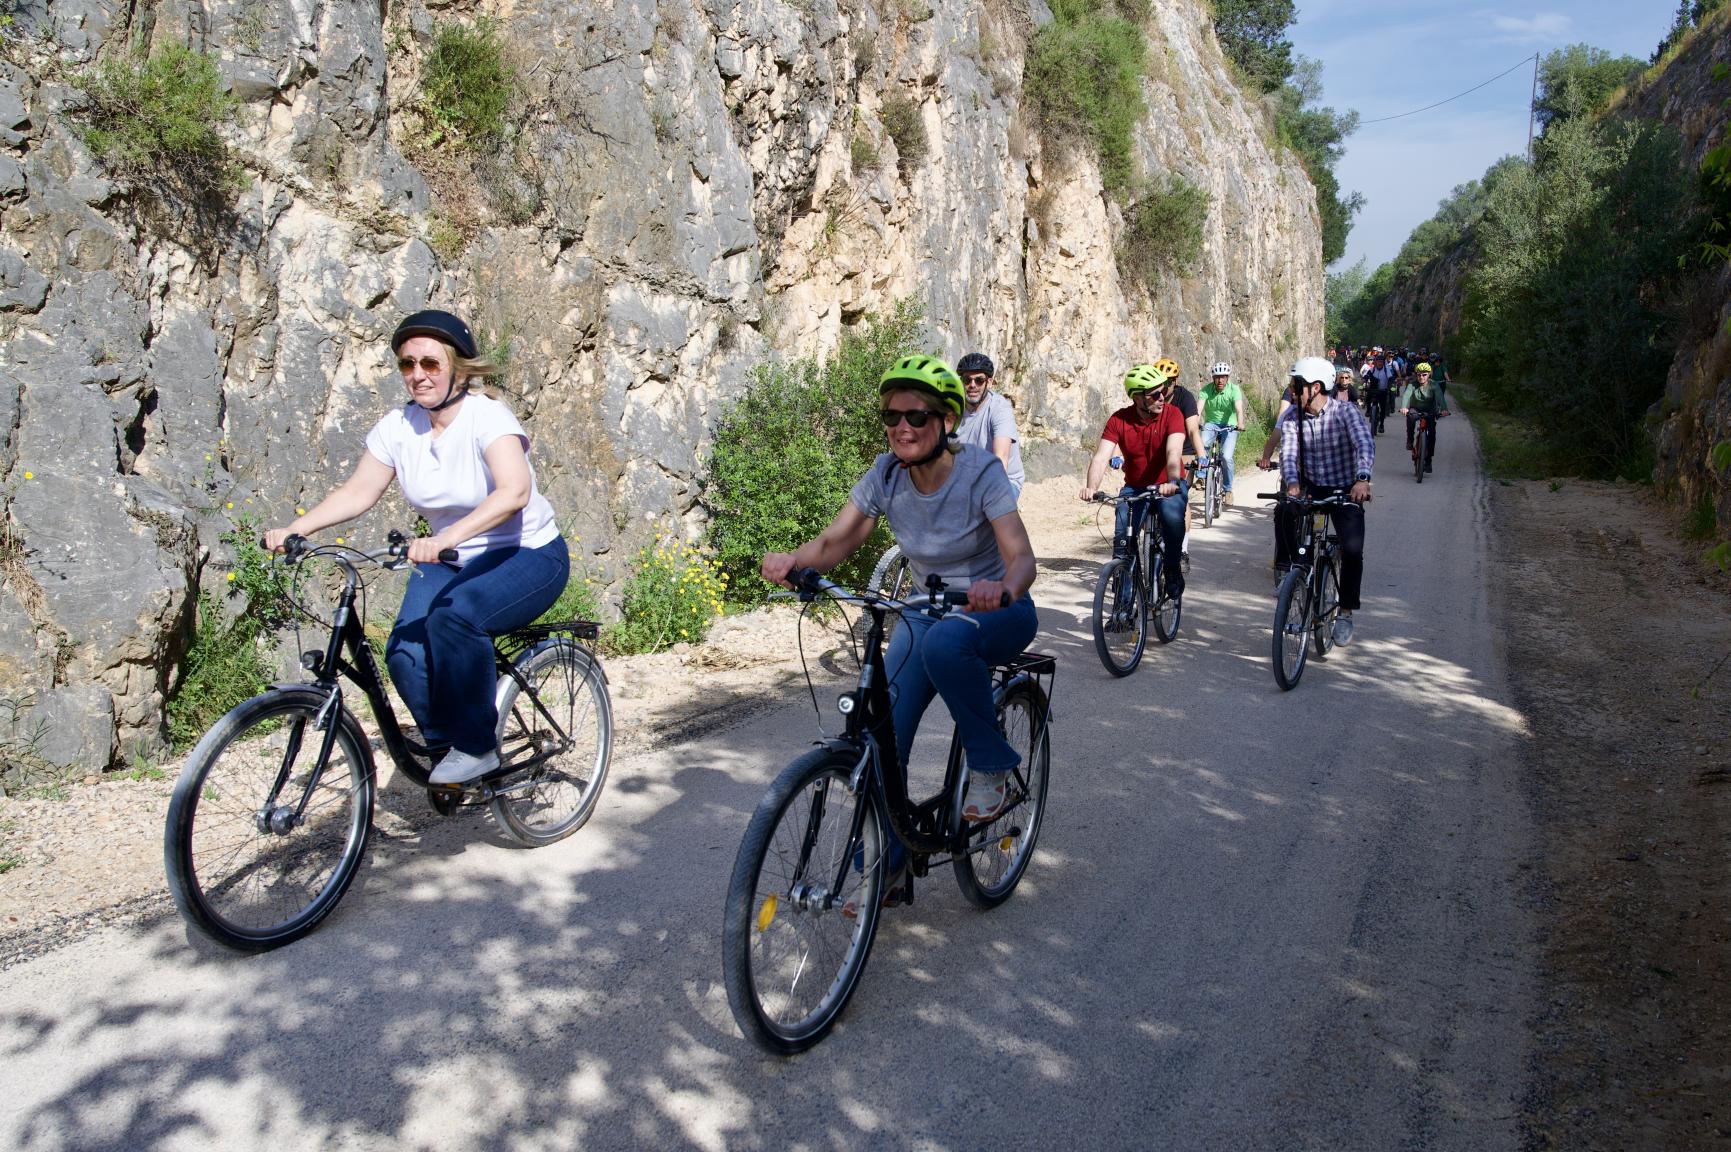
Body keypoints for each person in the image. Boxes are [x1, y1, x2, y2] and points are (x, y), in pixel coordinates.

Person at [760, 354, 1038, 896]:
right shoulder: (886, 474)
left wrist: (1002, 587)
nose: (902, 427)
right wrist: (794, 562)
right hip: (925, 609)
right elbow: (836, 540)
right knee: (881, 731)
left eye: (916, 416)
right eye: (891, 416)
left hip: (995, 609)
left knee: (947, 643)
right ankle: (886, 862)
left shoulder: (981, 472)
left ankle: (992, 768)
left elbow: (1022, 557)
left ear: (946, 421)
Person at [265, 310, 570, 784]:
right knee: (404, 655)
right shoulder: (398, 427)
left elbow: (514, 492)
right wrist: (295, 529)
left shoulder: (488, 417)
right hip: (452, 558)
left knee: (455, 618)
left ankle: (476, 747)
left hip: (526, 552)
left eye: (430, 363)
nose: (417, 374)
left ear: (458, 368)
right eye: (408, 364)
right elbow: (359, 491)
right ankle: (449, 754)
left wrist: (445, 537)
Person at [1263, 356, 1374, 642]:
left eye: (1296, 385)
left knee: (1352, 549)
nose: (1292, 391)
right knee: (1284, 511)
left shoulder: (1345, 412)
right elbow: (1288, 454)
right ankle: (1290, 571)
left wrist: (1362, 479)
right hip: (1311, 485)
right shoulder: (1292, 417)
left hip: (1346, 487)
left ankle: (1345, 612)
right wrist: (1292, 484)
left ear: (1315, 387)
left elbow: (1364, 444)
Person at [1079, 364, 1187, 601]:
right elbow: (1101, 457)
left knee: (1172, 520)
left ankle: (1171, 568)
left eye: (1163, 390)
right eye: (1155, 394)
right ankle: (1123, 601)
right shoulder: (1119, 420)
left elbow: (1173, 452)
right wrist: (1091, 487)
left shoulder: (1173, 415)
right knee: (1123, 538)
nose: (1162, 397)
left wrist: (1172, 481)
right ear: (1137, 397)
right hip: (1136, 487)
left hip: (1168, 485)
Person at [1152, 356, 1204, 564]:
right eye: (1160, 382)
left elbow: (1192, 429)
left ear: (1175, 381)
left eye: (1168, 382)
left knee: (1181, 497)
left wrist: (1201, 455)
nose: (1163, 388)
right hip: (1158, 450)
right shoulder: (1151, 397)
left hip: (1184, 449)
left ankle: (1182, 548)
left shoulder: (1185, 398)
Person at [953, 351, 1025, 498]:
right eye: (967, 380)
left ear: (989, 382)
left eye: (979, 380)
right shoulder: (953, 410)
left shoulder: (1000, 409)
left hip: (1004, 482)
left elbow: (1000, 460)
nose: (972, 385)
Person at [1200, 361, 1246, 507]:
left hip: (1230, 425)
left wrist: (1240, 423)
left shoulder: (1234, 389)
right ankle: (1202, 476)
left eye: (1223, 377)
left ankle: (1228, 490)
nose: (1220, 380)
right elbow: (1198, 409)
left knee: (1226, 456)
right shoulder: (1206, 390)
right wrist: (1194, 421)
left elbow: (1238, 409)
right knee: (1202, 444)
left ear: (1227, 378)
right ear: (1213, 378)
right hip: (1211, 424)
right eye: (1217, 377)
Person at [1399, 362, 1450, 473]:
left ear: (1429, 375)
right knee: (1410, 417)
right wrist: (1404, 407)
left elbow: (1440, 397)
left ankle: (1428, 461)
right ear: (1416, 375)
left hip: (1430, 411)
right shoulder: (1412, 384)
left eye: (1424, 374)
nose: (1421, 377)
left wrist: (1444, 409)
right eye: (1419, 374)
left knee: (1432, 434)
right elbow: (1407, 395)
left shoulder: (1434, 385)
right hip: (1416, 409)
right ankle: (1410, 439)